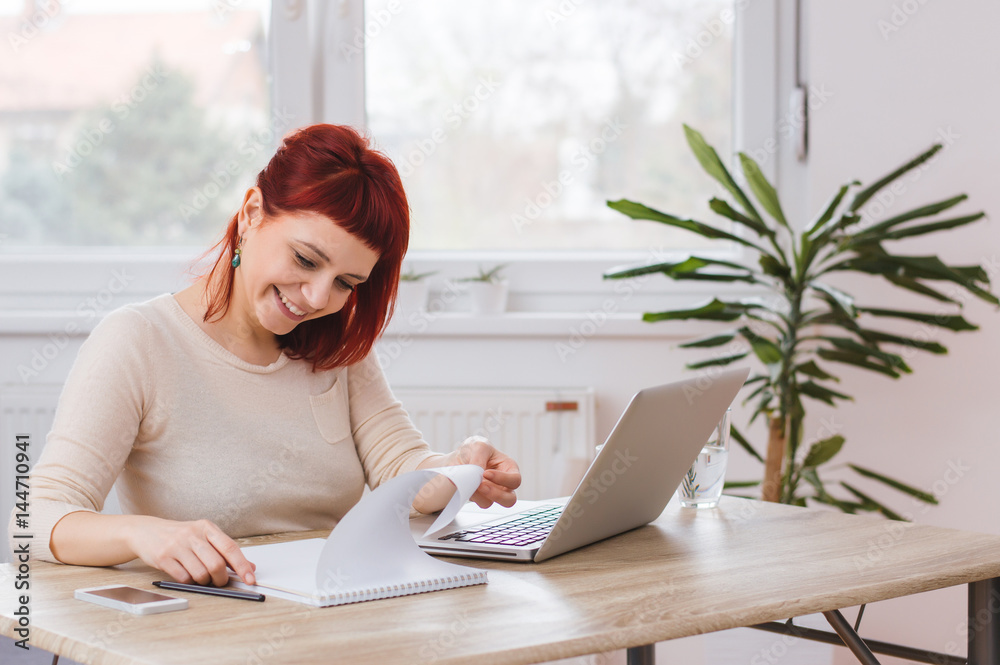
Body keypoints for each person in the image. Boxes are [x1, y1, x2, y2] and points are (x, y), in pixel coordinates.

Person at [11, 123, 521, 588]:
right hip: (204, 629)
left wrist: (461, 469)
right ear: (252, 213)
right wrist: (141, 535)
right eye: (305, 259)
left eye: (346, 282)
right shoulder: (139, 341)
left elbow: (401, 470)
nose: (319, 298)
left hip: (327, 616)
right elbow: (32, 516)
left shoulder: (333, 345)